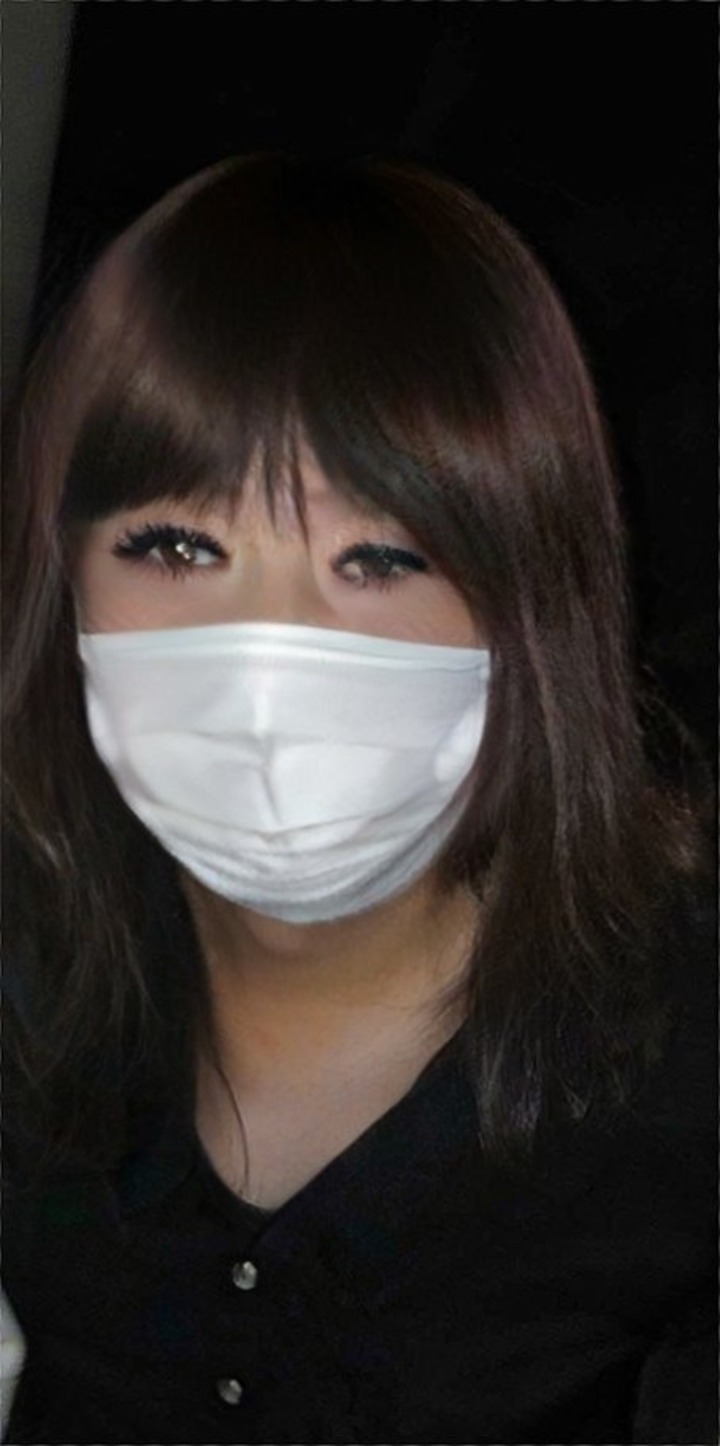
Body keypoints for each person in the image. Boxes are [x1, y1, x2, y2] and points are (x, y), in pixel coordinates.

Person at [2, 151, 716, 1446]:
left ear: (528, 606)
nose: (265, 660)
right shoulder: (25, 955)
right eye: (178, 545)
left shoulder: (678, 1058)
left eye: (377, 557)